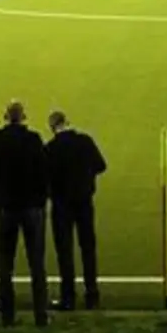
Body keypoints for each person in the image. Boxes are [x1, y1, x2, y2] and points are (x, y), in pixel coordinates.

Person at [0, 101, 50, 327]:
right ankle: (41, 314)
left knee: (5, 264)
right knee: (37, 262)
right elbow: (44, 171)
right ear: (23, 117)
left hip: (6, 207)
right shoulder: (33, 139)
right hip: (31, 207)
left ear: (5, 116)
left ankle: (7, 315)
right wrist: (41, 200)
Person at [45, 111, 107, 311]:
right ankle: (92, 295)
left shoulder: (51, 148)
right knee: (88, 248)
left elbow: (43, 177)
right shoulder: (85, 141)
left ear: (52, 127)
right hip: (84, 201)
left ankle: (68, 297)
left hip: (61, 205)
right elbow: (101, 166)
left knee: (65, 251)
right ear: (67, 122)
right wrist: (85, 177)